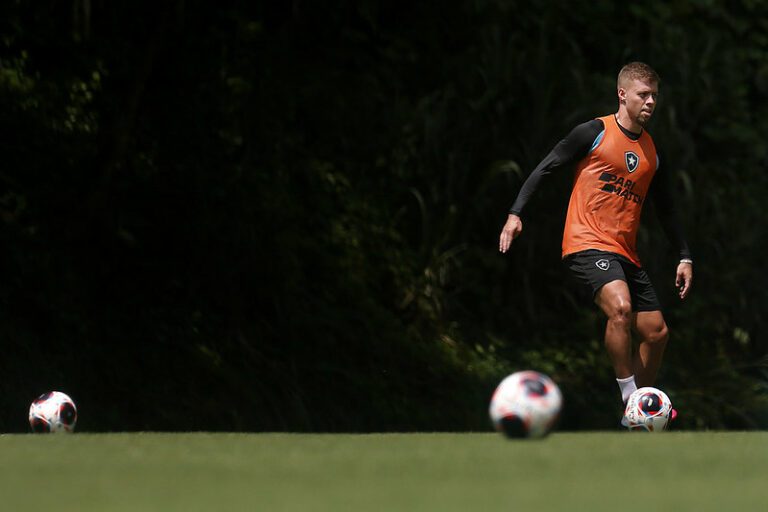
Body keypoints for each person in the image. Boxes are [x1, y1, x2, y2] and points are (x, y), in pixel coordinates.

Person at [498, 62, 693, 425]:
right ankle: (630, 399)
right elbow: (546, 167)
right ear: (622, 94)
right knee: (620, 307)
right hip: (586, 242)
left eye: (654, 96)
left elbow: (666, 208)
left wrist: (684, 256)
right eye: (643, 94)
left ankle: (634, 417)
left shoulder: (651, 151)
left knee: (657, 332)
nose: (650, 102)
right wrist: (515, 213)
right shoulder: (594, 131)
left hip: (626, 252)